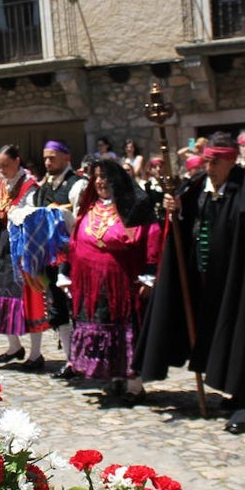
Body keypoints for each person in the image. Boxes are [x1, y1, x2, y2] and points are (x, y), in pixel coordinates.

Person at [135, 133, 245, 433]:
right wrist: (176, 209)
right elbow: (186, 224)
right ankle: (231, 389)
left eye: (216, 162)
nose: (209, 167)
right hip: (205, 279)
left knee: (244, 335)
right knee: (214, 336)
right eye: (207, 160)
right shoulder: (197, 188)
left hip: (243, 281)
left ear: (231, 159)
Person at [68, 159, 162, 403]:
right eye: (97, 176)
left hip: (123, 283)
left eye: (106, 177)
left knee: (126, 331)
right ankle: (115, 379)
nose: (101, 181)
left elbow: (152, 237)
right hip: (92, 285)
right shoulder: (89, 207)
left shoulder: (135, 207)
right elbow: (76, 241)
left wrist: (149, 274)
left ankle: (135, 386)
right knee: (103, 330)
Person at [0, 145, 44, 368]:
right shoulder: (1, 187)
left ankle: (36, 354)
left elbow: (33, 215)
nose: (2, 170)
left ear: (17, 161)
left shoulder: (30, 186)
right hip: (5, 243)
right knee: (0, 293)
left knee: (28, 295)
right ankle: (14, 346)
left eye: (5, 165)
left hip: (26, 244)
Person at [31, 140, 88, 380]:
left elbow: (80, 219)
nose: (47, 162)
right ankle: (70, 360)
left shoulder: (78, 184)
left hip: (74, 257)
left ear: (66, 157)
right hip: (50, 256)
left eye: (52, 157)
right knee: (57, 308)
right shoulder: (44, 186)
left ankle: (87, 357)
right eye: (45, 158)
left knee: (77, 307)